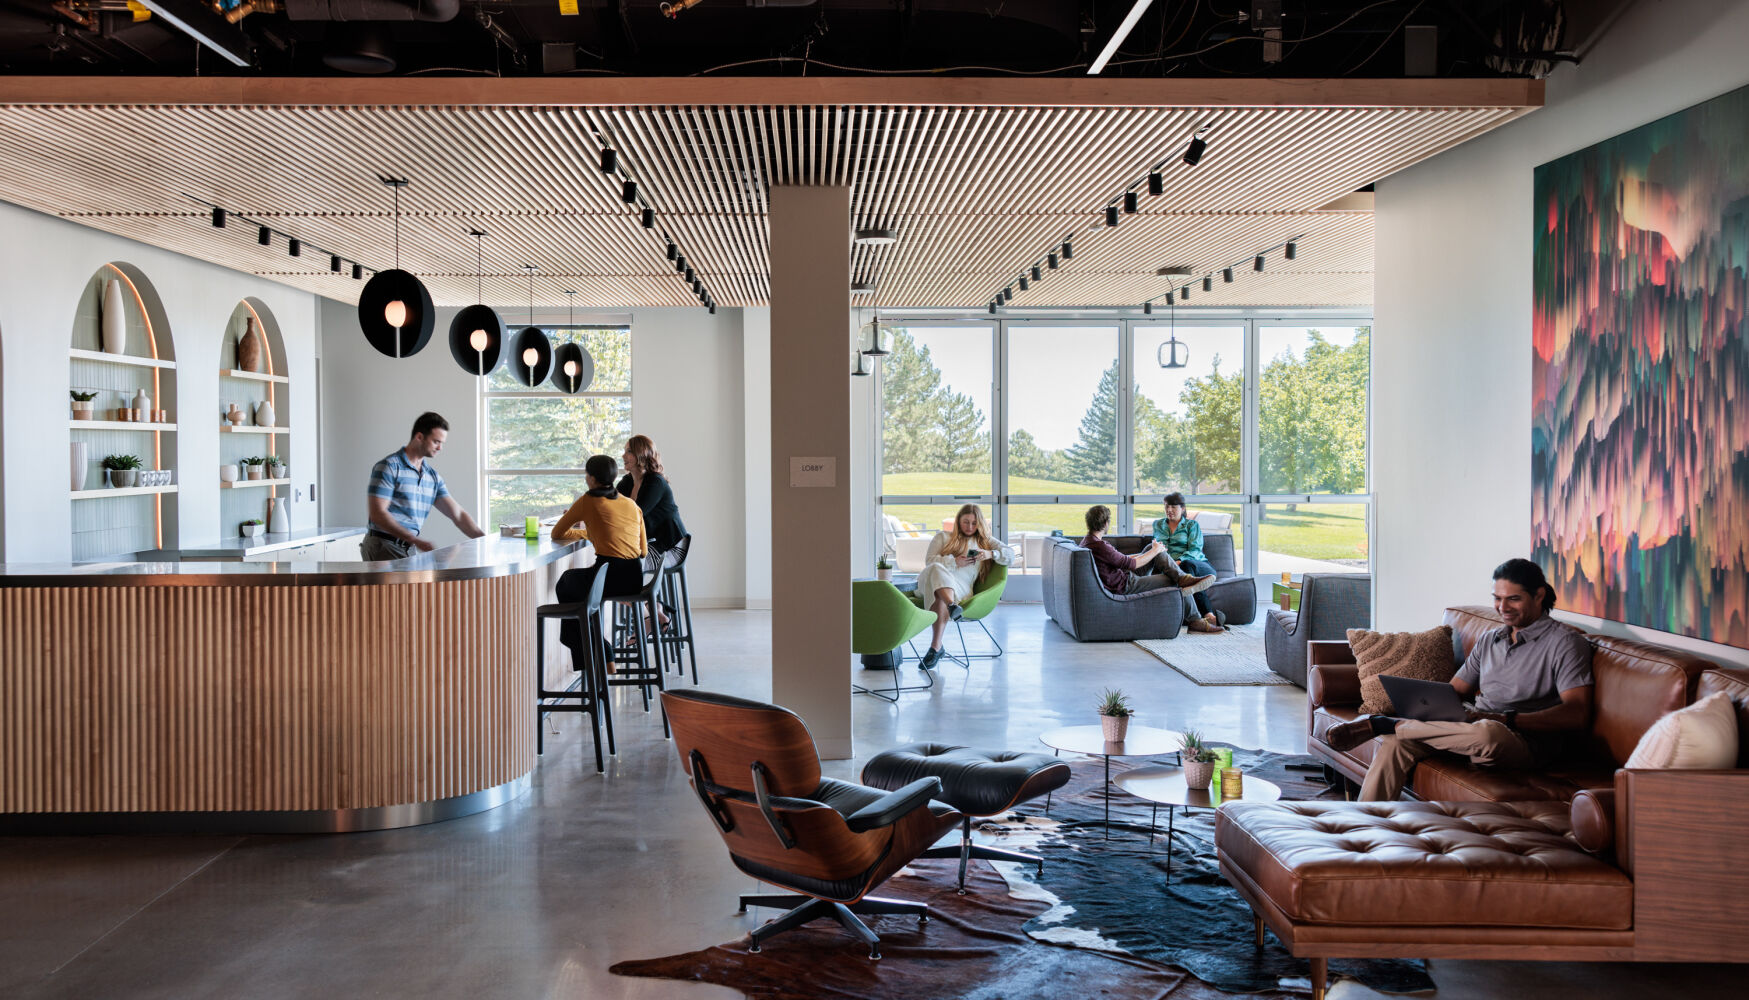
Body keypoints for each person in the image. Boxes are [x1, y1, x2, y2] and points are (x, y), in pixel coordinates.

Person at [1323, 558, 1595, 802]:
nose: (1503, 608)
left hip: (1520, 740)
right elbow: (1454, 692)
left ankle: (1385, 725)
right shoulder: (1491, 639)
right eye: (1497, 599)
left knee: (1488, 733)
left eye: (1513, 599)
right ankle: (1368, 827)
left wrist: (1507, 720)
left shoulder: (1566, 644)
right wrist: (1430, 707)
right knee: (1398, 743)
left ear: (1539, 595)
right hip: (1470, 728)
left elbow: (1576, 713)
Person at [552, 455, 649, 670]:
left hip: (607, 577)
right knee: (576, 589)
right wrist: (596, 532)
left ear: (592, 478)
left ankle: (594, 651)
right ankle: (597, 653)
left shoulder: (588, 500)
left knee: (566, 582)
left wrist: (588, 534)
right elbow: (643, 551)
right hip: (634, 579)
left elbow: (557, 532)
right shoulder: (631, 504)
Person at [362, 411, 485, 560]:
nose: (440, 448)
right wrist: (415, 540)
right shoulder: (389, 467)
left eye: (442, 443)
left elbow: (457, 514)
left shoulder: (432, 477)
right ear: (419, 437)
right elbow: (378, 514)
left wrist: (484, 540)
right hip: (383, 546)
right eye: (436, 441)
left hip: (408, 546)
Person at [1081, 505, 1220, 633]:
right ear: (1106, 523)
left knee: (1151, 549)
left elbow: (1121, 559)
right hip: (1125, 585)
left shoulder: (1089, 542)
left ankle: (1183, 578)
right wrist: (1155, 551)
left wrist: (1153, 551)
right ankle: (1195, 621)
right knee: (1172, 579)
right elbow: (1131, 564)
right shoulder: (1101, 547)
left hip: (1122, 577)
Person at [915, 504, 1011, 668]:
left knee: (941, 597)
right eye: (966, 522)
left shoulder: (985, 542)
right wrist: (954, 561)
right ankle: (952, 606)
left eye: (974, 523)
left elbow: (1010, 555)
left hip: (960, 589)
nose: (970, 527)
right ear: (958, 520)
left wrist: (991, 553)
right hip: (930, 583)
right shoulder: (943, 537)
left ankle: (936, 647)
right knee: (937, 568)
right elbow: (929, 562)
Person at [1151, 492, 1222, 624]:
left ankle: (1204, 615)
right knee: (1186, 578)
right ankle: (1208, 616)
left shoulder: (1192, 525)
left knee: (1187, 566)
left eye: (1173, 507)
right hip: (1172, 569)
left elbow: (1195, 549)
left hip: (1198, 565)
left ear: (1183, 508)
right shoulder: (1158, 525)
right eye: (1166, 506)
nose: (1169, 510)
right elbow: (1157, 548)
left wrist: (1178, 562)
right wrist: (1171, 565)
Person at [618, 435, 688, 553]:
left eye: (629, 451)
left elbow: (636, 515)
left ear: (641, 454)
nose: (623, 456)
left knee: (623, 560)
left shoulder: (655, 482)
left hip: (672, 546)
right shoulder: (627, 481)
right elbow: (611, 505)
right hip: (650, 542)